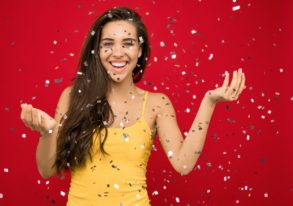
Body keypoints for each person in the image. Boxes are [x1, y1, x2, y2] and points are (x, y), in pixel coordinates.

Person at [20, 7, 246, 206]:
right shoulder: (72, 97)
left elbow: (183, 163)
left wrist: (209, 101)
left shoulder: (157, 104)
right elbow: (47, 170)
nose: (118, 53)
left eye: (127, 44)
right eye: (108, 44)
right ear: (97, 51)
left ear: (139, 50)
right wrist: (47, 132)